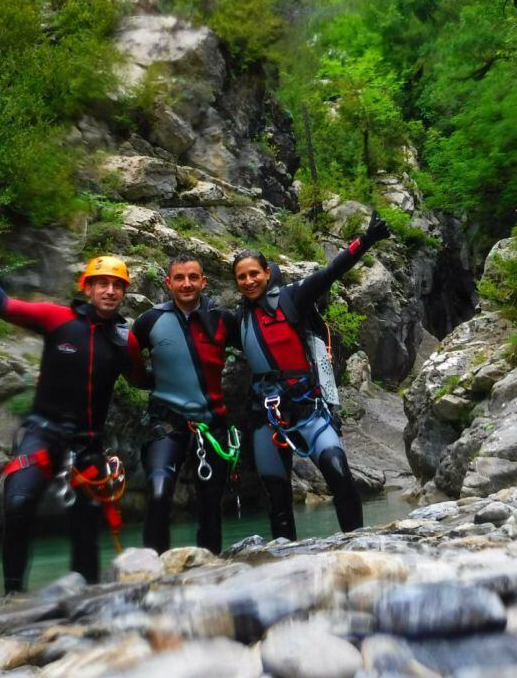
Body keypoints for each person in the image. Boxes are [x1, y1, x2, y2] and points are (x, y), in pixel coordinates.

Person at [0, 234, 144, 593]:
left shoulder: (125, 341)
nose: (109, 291)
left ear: (124, 293)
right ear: (87, 288)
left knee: (86, 525)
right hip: (43, 433)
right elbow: (4, 306)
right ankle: (13, 596)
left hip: (87, 444)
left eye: (117, 285)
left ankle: (87, 599)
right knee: (19, 502)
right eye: (101, 283)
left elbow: (143, 379)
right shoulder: (57, 319)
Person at [232, 211, 391, 540]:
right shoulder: (238, 319)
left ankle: (357, 546)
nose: (249, 281)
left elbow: (331, 272)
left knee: (339, 474)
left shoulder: (292, 297)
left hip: (309, 410)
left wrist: (367, 239)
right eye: (241, 277)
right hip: (268, 416)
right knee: (277, 498)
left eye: (254, 274)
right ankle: (284, 563)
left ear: (266, 272)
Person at [132, 254, 238, 555]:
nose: (187, 284)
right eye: (179, 278)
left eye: (193, 277)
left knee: (211, 502)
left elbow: (256, 346)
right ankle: (153, 572)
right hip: (166, 424)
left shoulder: (222, 318)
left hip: (213, 424)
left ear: (204, 281)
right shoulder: (149, 320)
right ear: (168, 283)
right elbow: (126, 363)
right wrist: (151, 379)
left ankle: (211, 568)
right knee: (159, 490)